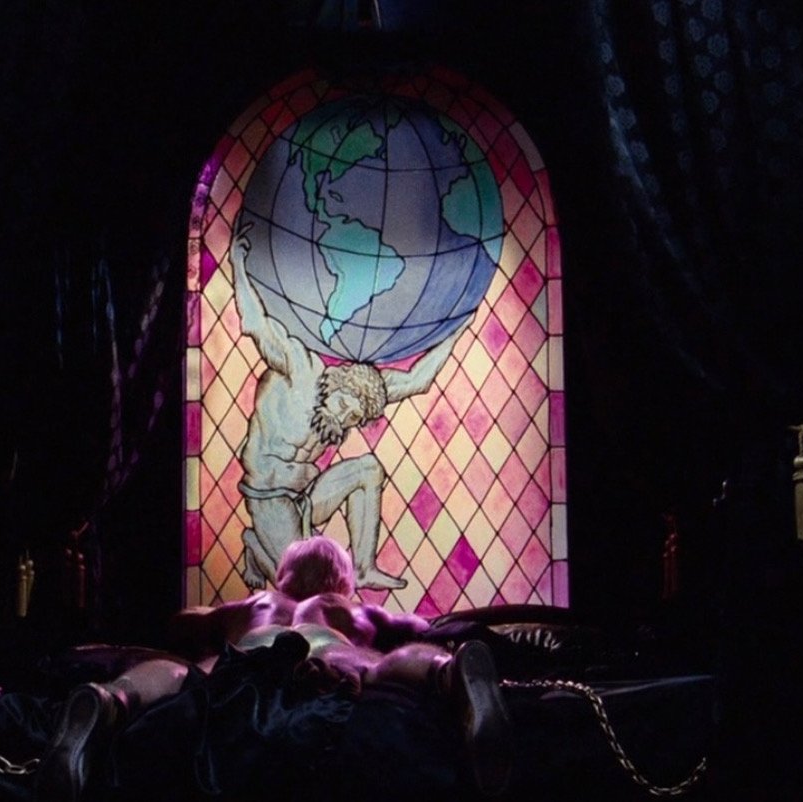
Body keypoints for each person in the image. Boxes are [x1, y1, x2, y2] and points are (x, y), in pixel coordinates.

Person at [36, 537, 514, 801]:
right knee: (382, 664)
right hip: (329, 650)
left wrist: (215, 618)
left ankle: (113, 697)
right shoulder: (347, 608)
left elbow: (182, 622)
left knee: (187, 673)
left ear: (283, 576)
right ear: (344, 581)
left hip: (252, 648)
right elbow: (423, 626)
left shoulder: (258, 603)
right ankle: (449, 673)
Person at [230, 224, 467, 591]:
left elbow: (417, 380)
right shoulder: (300, 368)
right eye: (342, 405)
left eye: (352, 417)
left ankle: (364, 568)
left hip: (305, 496)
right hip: (268, 496)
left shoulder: (360, 392)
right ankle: (254, 544)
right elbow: (256, 324)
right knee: (300, 587)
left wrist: (457, 327)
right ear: (336, 383)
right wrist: (237, 262)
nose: (343, 418)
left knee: (368, 469)